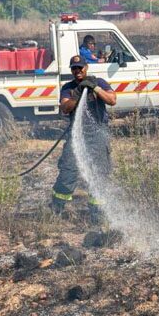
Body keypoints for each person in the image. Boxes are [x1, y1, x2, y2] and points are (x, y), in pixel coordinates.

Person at [50, 55, 117, 222]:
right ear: (71, 70)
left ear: (86, 68)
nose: (77, 71)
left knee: (99, 173)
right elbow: (65, 108)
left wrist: (95, 88)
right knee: (68, 171)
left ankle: (97, 215)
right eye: (74, 68)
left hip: (97, 136)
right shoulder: (68, 88)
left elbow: (112, 100)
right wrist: (77, 94)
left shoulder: (99, 82)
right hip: (77, 136)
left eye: (80, 67)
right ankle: (55, 212)